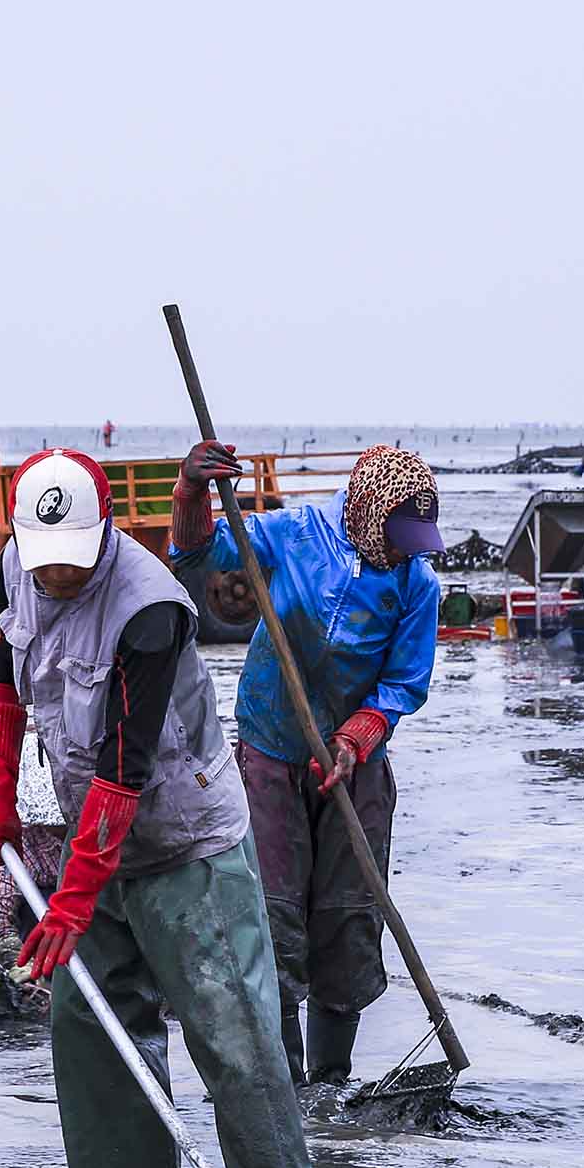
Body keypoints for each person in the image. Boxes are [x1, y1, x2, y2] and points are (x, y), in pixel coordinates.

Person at [0, 449, 325, 1168]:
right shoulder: (18, 566)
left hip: (180, 833)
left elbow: (126, 765)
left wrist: (74, 894)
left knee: (228, 1019)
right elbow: (1, 675)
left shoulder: (149, 608)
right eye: (43, 561)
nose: (56, 577)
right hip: (84, 825)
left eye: (73, 562)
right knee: (92, 1019)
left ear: (107, 530)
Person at [165, 440, 440, 1087]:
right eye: (399, 535)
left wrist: (356, 737)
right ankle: (283, 1083)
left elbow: (404, 682)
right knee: (272, 912)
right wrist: (190, 491)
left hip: (354, 762)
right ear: (370, 513)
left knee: (348, 916)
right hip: (272, 751)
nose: (406, 549)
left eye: (415, 538)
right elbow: (198, 555)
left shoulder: (416, 584)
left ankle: (332, 1082)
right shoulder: (294, 535)